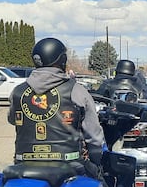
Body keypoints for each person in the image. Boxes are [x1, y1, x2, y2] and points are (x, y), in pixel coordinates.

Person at [8, 37, 107, 179]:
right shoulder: (76, 90)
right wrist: (96, 160)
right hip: (70, 165)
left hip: (23, 163)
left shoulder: (17, 92)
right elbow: (94, 136)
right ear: (62, 60)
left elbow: (12, 119)